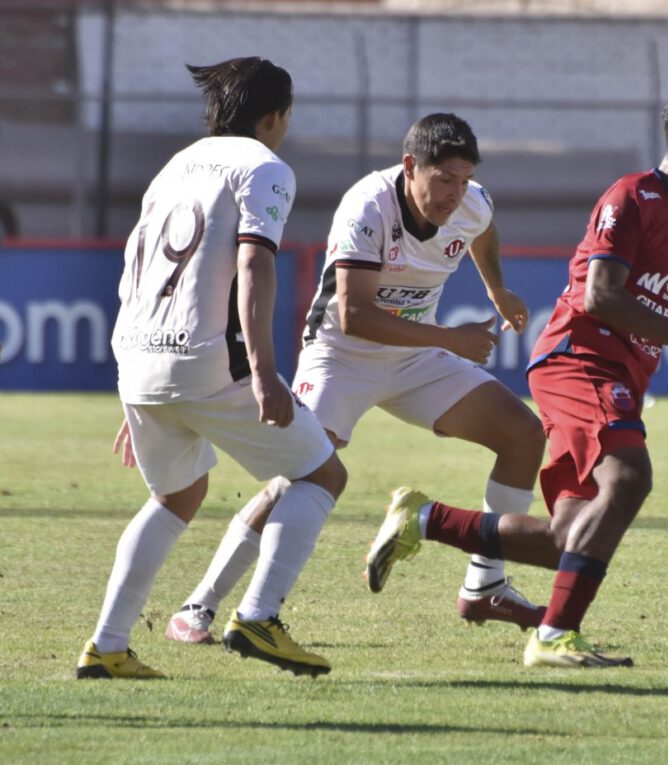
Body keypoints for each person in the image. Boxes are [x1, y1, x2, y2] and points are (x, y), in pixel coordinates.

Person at [363, 88, 668, 668]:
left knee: (570, 538)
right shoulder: (632, 197)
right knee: (629, 478)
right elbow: (601, 296)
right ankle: (553, 635)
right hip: (581, 358)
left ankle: (424, 519)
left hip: (620, 370)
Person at [163, 112, 547, 646]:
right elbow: (355, 315)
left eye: (464, 180)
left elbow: (482, 233)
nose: (455, 194)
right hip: (340, 356)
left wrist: (497, 291)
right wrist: (452, 340)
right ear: (411, 166)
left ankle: (485, 584)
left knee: (524, 435)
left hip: (415, 356)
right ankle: (199, 604)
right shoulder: (368, 206)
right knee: (300, 476)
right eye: (443, 180)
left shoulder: (472, 201)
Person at [76, 57, 346, 680]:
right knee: (320, 476)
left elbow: (134, 271)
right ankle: (258, 616)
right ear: (275, 117)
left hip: (140, 356)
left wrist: (134, 386)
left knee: (176, 495)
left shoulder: (173, 167)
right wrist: (265, 371)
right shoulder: (266, 167)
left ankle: (109, 645)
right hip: (207, 359)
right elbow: (254, 265)